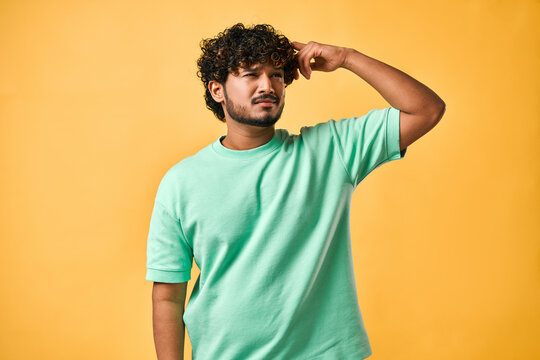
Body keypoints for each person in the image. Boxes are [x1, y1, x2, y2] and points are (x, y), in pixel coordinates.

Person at [146, 23, 445, 360]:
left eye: (276, 75)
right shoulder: (182, 181)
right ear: (217, 90)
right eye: (251, 74)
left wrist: (348, 58)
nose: (267, 85)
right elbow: (167, 296)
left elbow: (426, 109)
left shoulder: (331, 151)